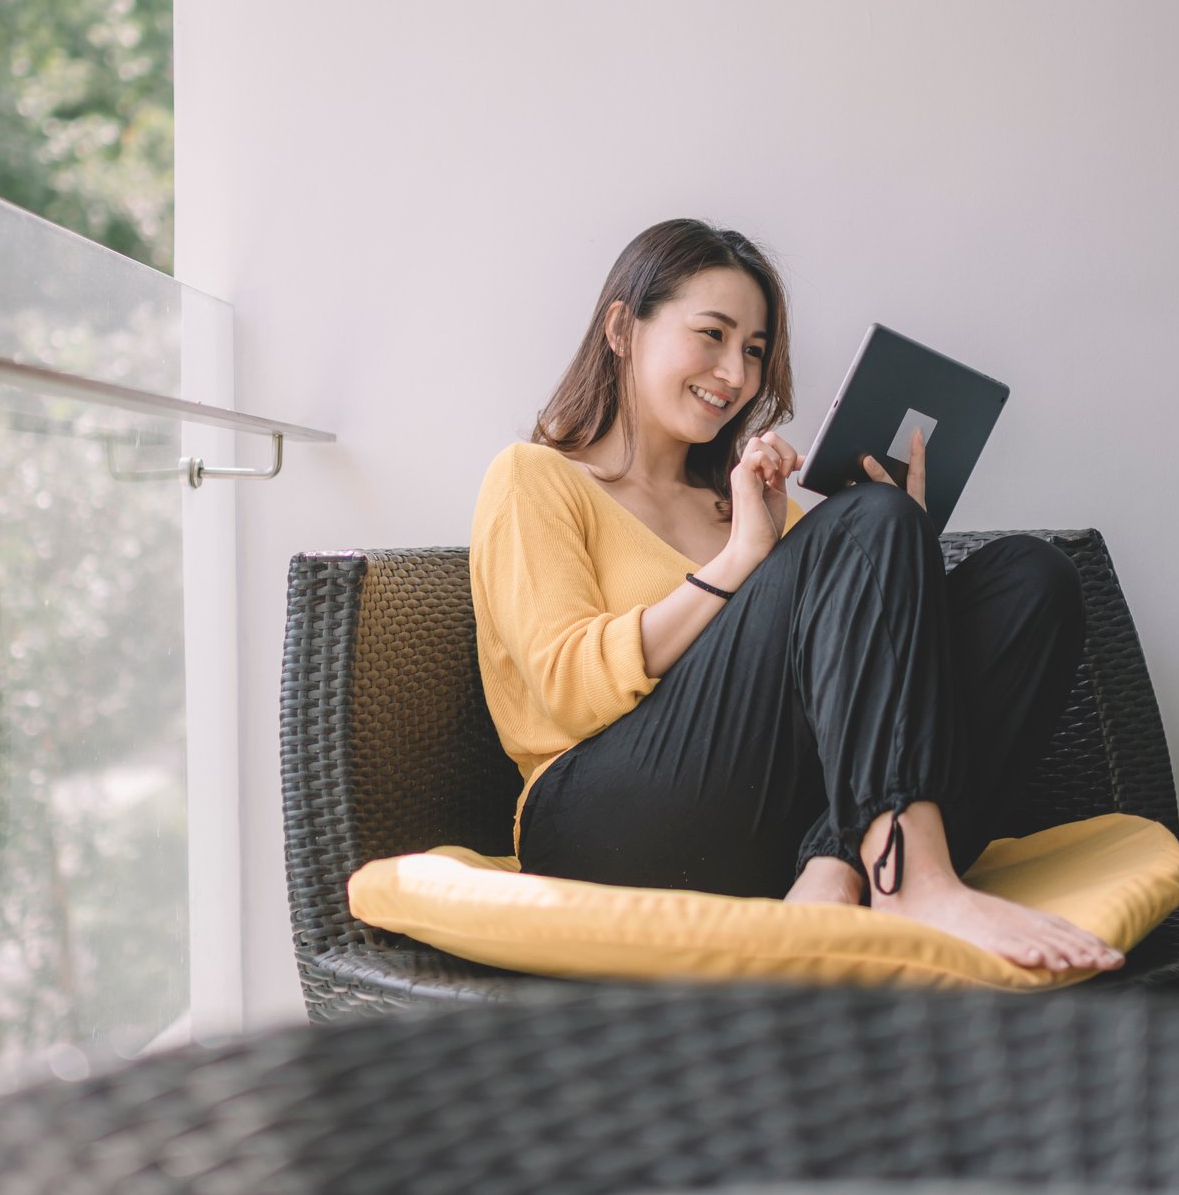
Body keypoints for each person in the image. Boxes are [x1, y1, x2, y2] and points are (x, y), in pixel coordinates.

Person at [468, 218, 1124, 973]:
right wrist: (745, 557)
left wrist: (900, 527)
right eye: (711, 334)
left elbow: (879, 696)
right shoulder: (536, 476)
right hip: (597, 825)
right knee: (864, 524)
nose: (737, 374)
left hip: (759, 823)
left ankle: (837, 870)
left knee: (1031, 581)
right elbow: (569, 690)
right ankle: (910, 879)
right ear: (623, 327)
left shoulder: (750, 501)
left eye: (753, 350)